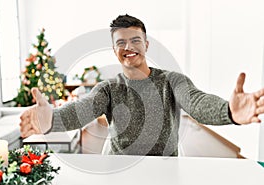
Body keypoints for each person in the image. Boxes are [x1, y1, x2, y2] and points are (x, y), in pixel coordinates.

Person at [20, 14, 264, 156]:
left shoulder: (172, 80)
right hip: (119, 169)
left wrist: (229, 112)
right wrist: (50, 120)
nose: (129, 47)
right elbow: (81, 111)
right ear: (114, 49)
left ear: (147, 45)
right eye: (121, 42)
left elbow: (196, 102)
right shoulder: (109, 88)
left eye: (136, 40)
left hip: (166, 168)